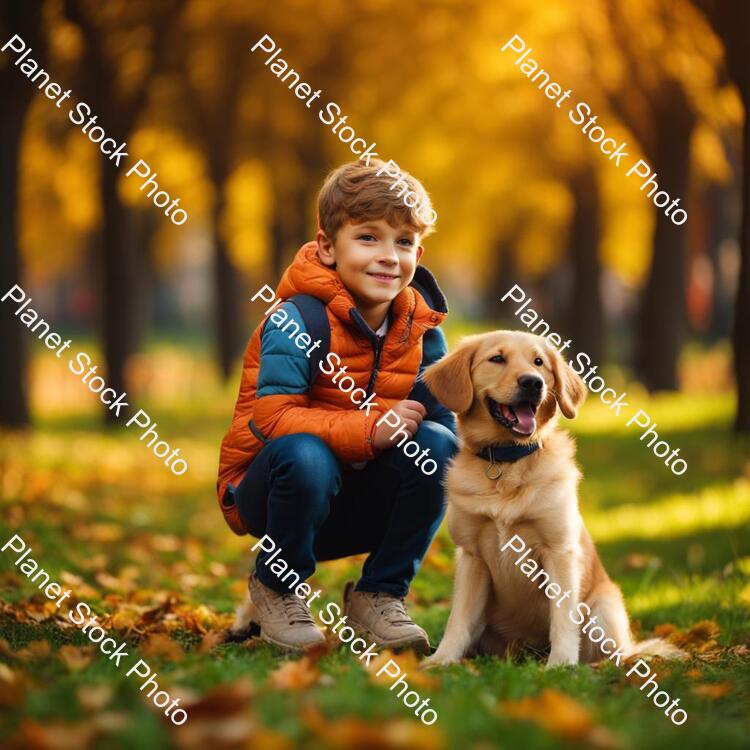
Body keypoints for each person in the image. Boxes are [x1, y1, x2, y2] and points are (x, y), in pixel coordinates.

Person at [217, 159, 457, 653]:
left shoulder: (421, 331)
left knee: (439, 446)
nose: (389, 256)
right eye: (368, 238)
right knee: (305, 453)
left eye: (404, 242)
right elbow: (274, 419)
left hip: (358, 503)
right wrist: (370, 430)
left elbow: (445, 426)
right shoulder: (295, 319)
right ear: (327, 246)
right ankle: (277, 587)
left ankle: (379, 595)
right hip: (276, 494)